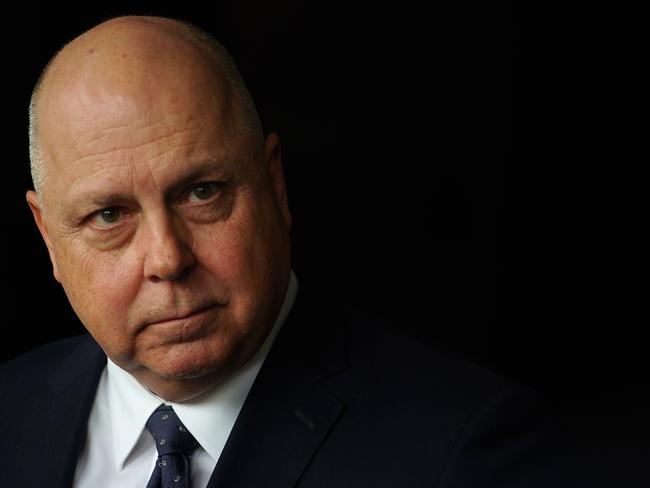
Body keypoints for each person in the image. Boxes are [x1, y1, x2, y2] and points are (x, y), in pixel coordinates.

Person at [1, 15, 577, 487]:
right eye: (108, 216)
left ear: (274, 186)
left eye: (203, 193)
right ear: (49, 236)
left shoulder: (465, 449)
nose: (168, 259)